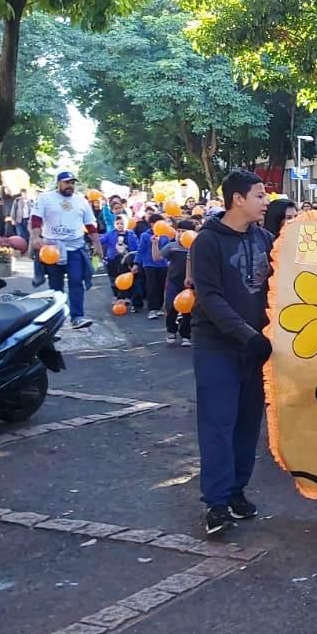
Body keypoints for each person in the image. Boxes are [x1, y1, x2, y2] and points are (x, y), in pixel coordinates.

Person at [190, 169, 274, 535]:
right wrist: (246, 335)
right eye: (259, 195)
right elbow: (209, 298)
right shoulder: (207, 242)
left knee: (247, 423)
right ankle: (217, 503)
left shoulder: (267, 239)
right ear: (237, 199)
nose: (265, 201)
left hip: (255, 349)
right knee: (218, 424)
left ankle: (237, 491)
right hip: (217, 345)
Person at [30, 171, 100, 329]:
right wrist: (35, 237)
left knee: (76, 280)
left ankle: (77, 317)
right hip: (52, 249)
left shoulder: (81, 201)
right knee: (56, 285)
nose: (70, 186)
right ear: (59, 183)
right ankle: (57, 319)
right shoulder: (45, 198)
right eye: (67, 182)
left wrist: (97, 244)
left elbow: (90, 225)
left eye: (73, 183)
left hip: (75, 247)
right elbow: (36, 219)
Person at [163, 219, 197, 347]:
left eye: (184, 232)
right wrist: (155, 244)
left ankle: (185, 335)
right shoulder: (172, 246)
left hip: (189, 283)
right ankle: (171, 330)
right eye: (179, 231)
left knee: (188, 309)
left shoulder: (195, 247)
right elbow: (157, 257)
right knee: (171, 306)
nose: (181, 234)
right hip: (174, 281)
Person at [137, 214, 171, 320]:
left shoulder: (165, 236)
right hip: (149, 264)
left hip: (163, 264)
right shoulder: (145, 236)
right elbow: (140, 250)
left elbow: (167, 250)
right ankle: (152, 309)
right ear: (152, 224)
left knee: (161, 286)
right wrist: (136, 263)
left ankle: (159, 307)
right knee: (151, 286)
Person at [101, 215, 139, 299]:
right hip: (113, 259)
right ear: (114, 224)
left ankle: (125, 297)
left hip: (127, 260)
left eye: (122, 223)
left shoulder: (131, 234)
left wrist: (128, 250)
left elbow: (136, 247)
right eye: (117, 223)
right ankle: (116, 295)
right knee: (113, 278)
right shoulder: (110, 234)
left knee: (125, 278)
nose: (120, 225)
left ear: (126, 224)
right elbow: (102, 240)